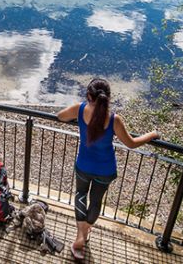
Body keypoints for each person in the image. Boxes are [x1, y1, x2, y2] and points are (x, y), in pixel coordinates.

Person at [57, 78, 160, 260]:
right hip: (105, 170)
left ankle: (80, 236)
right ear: (108, 97)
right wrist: (152, 134)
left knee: (80, 195)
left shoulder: (80, 109)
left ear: (89, 95)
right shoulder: (114, 120)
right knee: (95, 202)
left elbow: (60, 116)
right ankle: (85, 233)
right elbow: (131, 143)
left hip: (84, 165)